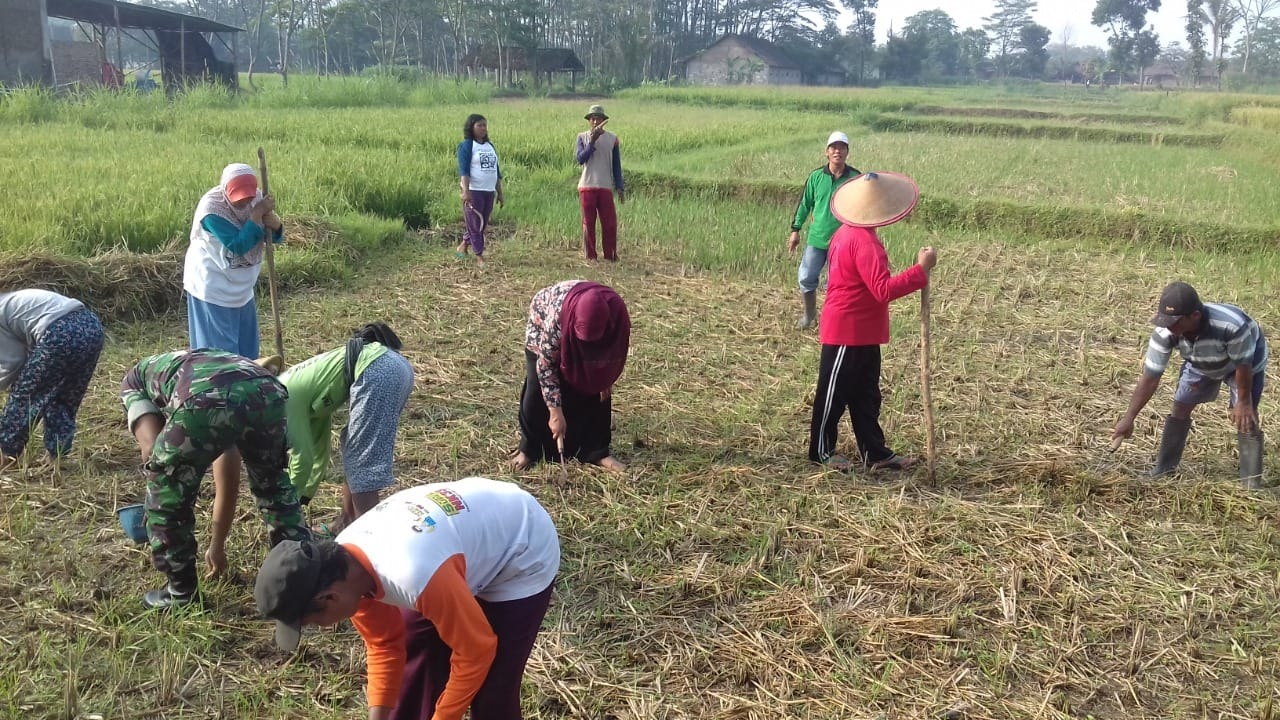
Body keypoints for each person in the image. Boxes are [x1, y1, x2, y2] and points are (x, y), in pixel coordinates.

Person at [254, 477, 560, 720]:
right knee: (416, 644)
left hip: (521, 546)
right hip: (458, 545)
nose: (320, 628)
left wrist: (445, 716)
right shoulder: (345, 566)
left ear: (329, 597)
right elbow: (384, 644)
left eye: (313, 621)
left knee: (492, 692)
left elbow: (477, 650)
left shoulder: (413, 574)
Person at [121, 348, 309, 609]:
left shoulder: (134, 383)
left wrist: (157, 497)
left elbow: (151, 448)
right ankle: (303, 574)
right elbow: (227, 461)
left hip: (203, 398)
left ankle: (180, 592)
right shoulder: (205, 362)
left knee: (167, 491)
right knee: (273, 486)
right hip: (267, 390)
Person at [184, 162, 285, 558]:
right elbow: (238, 245)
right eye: (239, 199)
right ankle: (222, 419)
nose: (245, 202)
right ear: (227, 192)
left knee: (248, 361)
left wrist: (274, 223)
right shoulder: (212, 210)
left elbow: (279, 237)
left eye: (250, 196)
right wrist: (258, 219)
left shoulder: (257, 201)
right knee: (219, 369)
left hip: (242, 293)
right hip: (212, 290)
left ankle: (249, 409)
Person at [808, 172, 937, 472]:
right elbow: (883, 290)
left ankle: (875, 453)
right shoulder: (862, 241)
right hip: (846, 330)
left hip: (864, 331)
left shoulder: (847, 233)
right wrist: (920, 271)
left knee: (866, 396)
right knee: (833, 395)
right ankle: (821, 451)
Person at [1111, 281, 1268, 487]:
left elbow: (1243, 366)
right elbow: (1150, 377)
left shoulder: (1232, 326)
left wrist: (1243, 403)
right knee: (1180, 406)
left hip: (1243, 365)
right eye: (1165, 321)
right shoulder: (1165, 332)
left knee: (1246, 418)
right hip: (1200, 362)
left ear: (1195, 316)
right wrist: (1128, 418)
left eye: (1174, 322)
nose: (1169, 327)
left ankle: (1251, 483)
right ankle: (1164, 468)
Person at [279, 323, 414, 535]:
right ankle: (346, 523)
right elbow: (317, 454)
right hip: (394, 366)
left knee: (363, 461)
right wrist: (303, 498)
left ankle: (367, 541)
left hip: (378, 369)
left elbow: (301, 459)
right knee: (352, 446)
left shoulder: (282, 399)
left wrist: (286, 509)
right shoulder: (298, 398)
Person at [512, 280, 630, 472]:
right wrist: (555, 412)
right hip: (544, 323)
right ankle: (529, 450)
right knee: (536, 390)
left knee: (597, 391)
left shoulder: (616, 313)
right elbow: (545, 367)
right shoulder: (555, 322)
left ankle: (597, 451)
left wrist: (605, 376)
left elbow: (616, 349)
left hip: (597, 336)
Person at [0, 289, 105, 470]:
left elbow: (13, 362)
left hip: (59, 331)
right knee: (65, 397)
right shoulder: (10, 300)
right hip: (91, 326)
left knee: (24, 397)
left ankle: (6, 455)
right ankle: (56, 455)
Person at [787, 131, 860, 329]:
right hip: (817, 238)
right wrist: (795, 230)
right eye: (834, 147)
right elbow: (804, 204)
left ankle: (832, 321)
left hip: (843, 241)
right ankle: (809, 316)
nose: (838, 151)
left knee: (835, 285)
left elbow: (863, 208)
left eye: (842, 147)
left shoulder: (855, 178)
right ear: (826, 152)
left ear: (847, 152)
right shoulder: (816, 177)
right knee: (806, 277)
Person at [574, 104, 624, 262]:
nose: (595, 122)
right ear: (589, 121)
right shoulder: (582, 137)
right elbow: (581, 159)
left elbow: (616, 165)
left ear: (604, 120)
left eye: (598, 118)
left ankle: (610, 256)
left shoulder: (612, 139)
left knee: (610, 224)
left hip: (605, 186)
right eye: (592, 119)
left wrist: (620, 187)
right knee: (588, 223)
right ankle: (591, 257)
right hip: (587, 186)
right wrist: (592, 141)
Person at [455, 114, 504, 266]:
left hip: (489, 191)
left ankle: (463, 246)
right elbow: (464, 170)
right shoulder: (467, 146)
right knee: (475, 224)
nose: (483, 128)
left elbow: (496, 171)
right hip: (474, 190)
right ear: (471, 127)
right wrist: (466, 191)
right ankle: (479, 256)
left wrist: (500, 193)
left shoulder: (490, 146)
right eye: (479, 125)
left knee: (481, 224)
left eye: (485, 125)